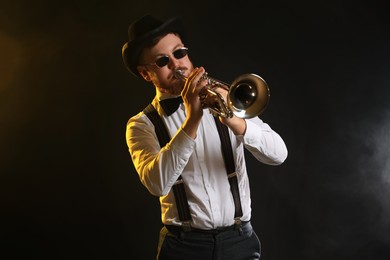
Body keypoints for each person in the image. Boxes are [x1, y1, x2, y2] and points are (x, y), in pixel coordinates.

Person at [122, 14, 288, 260]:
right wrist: (192, 120)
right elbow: (157, 183)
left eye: (180, 53)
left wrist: (232, 119)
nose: (177, 65)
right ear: (146, 74)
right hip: (183, 246)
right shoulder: (141, 125)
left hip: (239, 241)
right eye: (162, 61)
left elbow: (279, 154)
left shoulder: (225, 99)